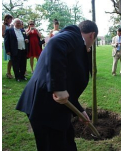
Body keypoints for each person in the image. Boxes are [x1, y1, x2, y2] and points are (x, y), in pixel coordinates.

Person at [16, 20, 98, 151]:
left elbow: (68, 83)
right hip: (44, 106)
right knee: (53, 146)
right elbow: (55, 43)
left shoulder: (74, 42)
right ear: (92, 35)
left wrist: (80, 110)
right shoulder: (74, 35)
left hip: (55, 107)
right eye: (92, 43)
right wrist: (58, 87)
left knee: (67, 142)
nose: (89, 47)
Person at [2, 14, 14, 79]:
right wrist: (9, 30)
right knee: (10, 59)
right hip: (7, 44)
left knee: (12, 59)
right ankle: (8, 73)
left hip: (12, 44)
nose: (11, 20)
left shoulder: (11, 26)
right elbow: (3, 35)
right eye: (10, 19)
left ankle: (11, 72)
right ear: (7, 19)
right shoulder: (4, 26)